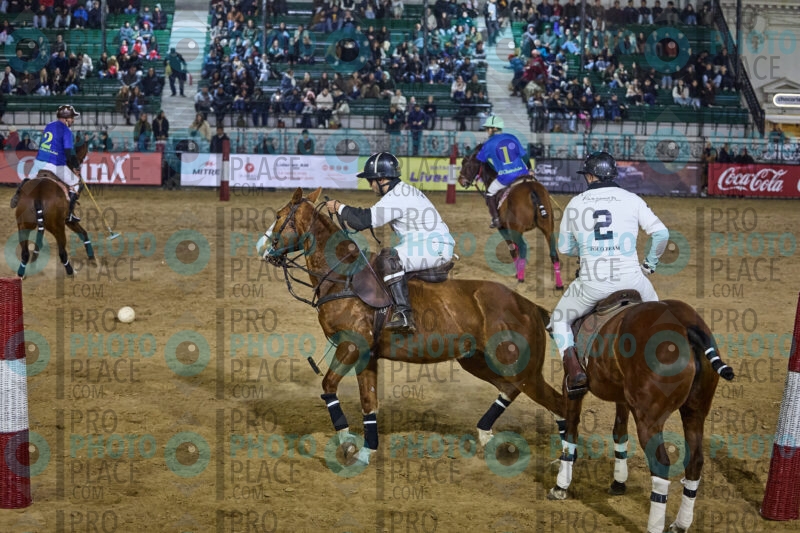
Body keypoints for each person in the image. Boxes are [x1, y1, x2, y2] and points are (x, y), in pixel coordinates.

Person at [549, 151, 669, 398]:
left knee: (559, 319)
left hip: (594, 285)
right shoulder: (632, 199)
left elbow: (564, 248)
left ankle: (574, 371)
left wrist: (585, 249)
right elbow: (662, 234)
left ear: (590, 176)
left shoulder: (575, 203)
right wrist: (649, 265)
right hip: (633, 280)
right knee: (659, 317)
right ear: (613, 174)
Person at [325, 152, 455, 332]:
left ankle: (404, 314)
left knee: (388, 258)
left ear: (382, 179)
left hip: (432, 247)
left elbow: (363, 220)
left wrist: (339, 207)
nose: (370, 185)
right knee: (384, 257)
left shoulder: (397, 196)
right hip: (427, 244)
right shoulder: (402, 191)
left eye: (370, 180)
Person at [10, 105, 83, 221]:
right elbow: (68, 152)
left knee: (29, 180)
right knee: (76, 183)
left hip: (39, 162)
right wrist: (75, 167)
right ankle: (69, 214)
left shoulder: (49, 125)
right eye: (72, 117)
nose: (73, 120)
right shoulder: (67, 131)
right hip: (56, 165)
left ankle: (18, 194)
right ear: (65, 118)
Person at [475, 115, 532, 228]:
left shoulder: (488, 144)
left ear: (494, 128)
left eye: (488, 128)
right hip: (523, 173)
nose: (486, 130)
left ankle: (495, 219)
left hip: (506, 178)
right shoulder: (512, 137)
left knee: (490, 192)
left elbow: (481, 161)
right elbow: (524, 157)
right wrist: (530, 169)